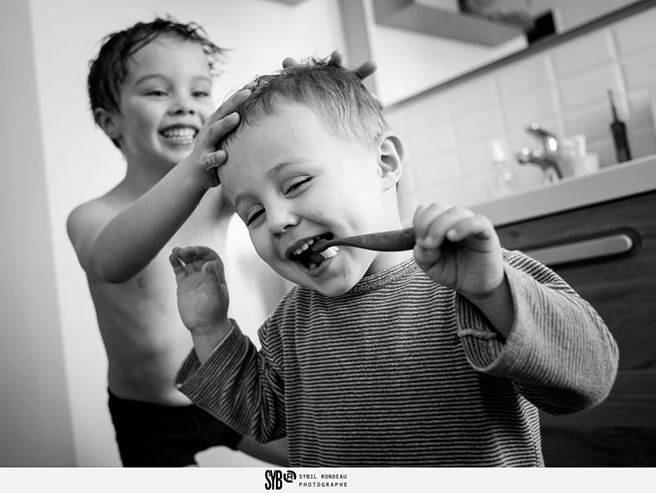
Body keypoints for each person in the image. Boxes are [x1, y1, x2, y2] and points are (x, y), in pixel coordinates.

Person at [169, 56, 620, 467]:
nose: (278, 221)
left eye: (296, 183)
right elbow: (262, 417)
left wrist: (492, 292)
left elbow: (588, 379)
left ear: (384, 164)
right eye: (254, 214)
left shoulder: (477, 279)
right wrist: (210, 328)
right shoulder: (292, 321)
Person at [66, 17, 289, 467]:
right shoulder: (93, 216)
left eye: (200, 91)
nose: (185, 106)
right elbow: (111, 263)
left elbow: (280, 173)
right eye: (156, 91)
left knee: (323, 464)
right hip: (147, 417)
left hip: (222, 382)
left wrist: (322, 111)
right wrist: (191, 171)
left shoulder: (219, 192)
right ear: (111, 121)